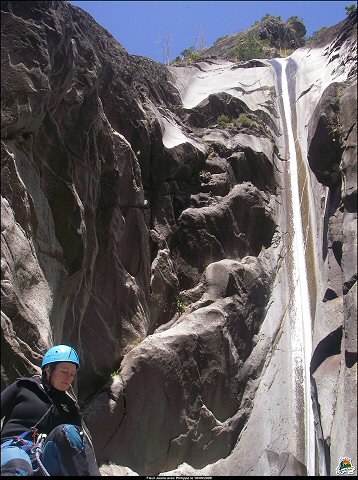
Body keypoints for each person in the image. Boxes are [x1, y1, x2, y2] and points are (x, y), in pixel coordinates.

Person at [1, 345, 101, 476]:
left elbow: (79, 449)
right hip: (15, 447)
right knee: (19, 469)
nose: (69, 378)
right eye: (64, 372)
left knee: (69, 431)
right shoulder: (24, 387)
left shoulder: (69, 406)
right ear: (49, 369)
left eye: (72, 374)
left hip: (47, 456)